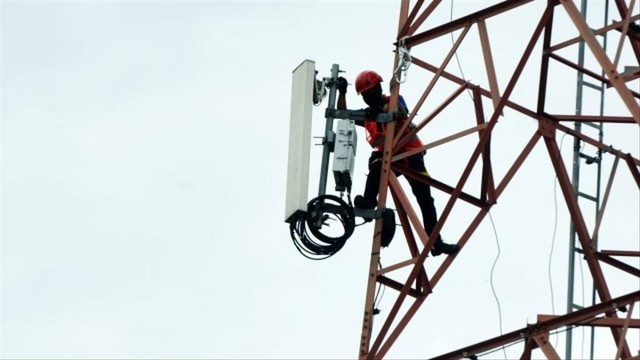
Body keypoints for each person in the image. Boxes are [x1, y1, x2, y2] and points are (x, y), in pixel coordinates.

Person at [336, 70, 459, 256]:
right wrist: (342, 92)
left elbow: (401, 112)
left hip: (410, 154)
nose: (369, 98)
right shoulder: (368, 114)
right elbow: (343, 115)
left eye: (371, 92)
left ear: (379, 88)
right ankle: (369, 201)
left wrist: (382, 111)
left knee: (425, 198)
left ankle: (435, 243)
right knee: (376, 165)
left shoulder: (393, 100)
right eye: (366, 95)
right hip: (388, 157)